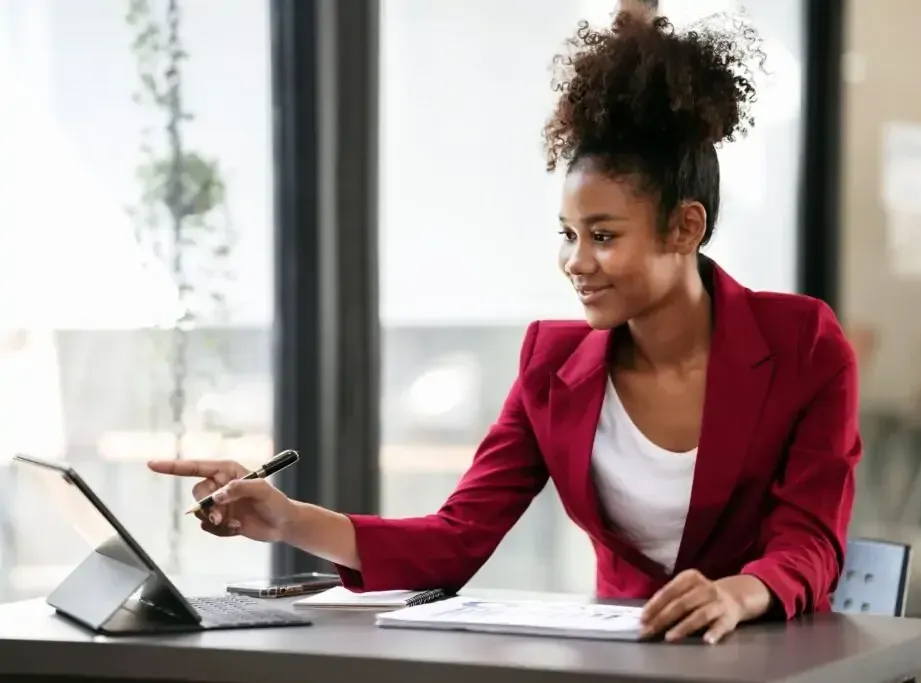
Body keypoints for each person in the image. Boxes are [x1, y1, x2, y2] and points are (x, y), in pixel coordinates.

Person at [149, 8, 860, 645]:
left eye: (604, 235)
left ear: (685, 226)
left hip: (770, 654)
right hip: (632, 656)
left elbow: (809, 539)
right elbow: (457, 537)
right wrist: (284, 518)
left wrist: (736, 593)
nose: (575, 262)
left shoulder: (803, 344)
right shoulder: (553, 363)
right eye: (568, 234)